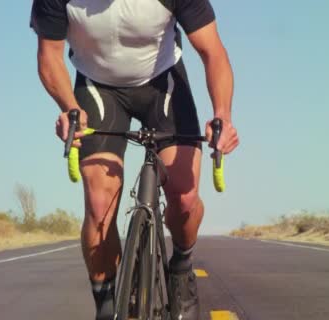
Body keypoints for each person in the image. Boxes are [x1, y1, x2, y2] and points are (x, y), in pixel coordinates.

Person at [29, 1, 239, 319]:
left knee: (185, 197)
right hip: (97, 87)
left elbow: (214, 52)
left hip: (162, 84)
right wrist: (69, 107)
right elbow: (49, 57)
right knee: (99, 203)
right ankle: (105, 303)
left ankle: (181, 268)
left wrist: (222, 114)